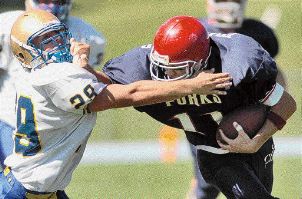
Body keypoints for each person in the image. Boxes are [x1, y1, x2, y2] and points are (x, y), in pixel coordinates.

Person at [0, 10, 233, 198]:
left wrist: (84, 68)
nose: (57, 44)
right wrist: (191, 85)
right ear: (24, 53)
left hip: (38, 187)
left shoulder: (42, 76)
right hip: (25, 190)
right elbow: (128, 94)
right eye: (45, 41)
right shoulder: (55, 75)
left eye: (58, 35)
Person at [99, 16, 296, 198]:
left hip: (252, 142)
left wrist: (257, 141)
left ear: (201, 64)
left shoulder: (236, 64)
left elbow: (287, 103)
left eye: (176, 69)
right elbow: (102, 89)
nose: (166, 75)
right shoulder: (139, 68)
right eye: (162, 67)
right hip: (212, 151)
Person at [187, 0, 286, 198]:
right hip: (206, 118)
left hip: (248, 117)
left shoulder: (258, 33)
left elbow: (275, 76)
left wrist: (272, 110)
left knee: (258, 185)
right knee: (206, 185)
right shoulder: (194, 33)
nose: (230, 5)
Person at [0, 0, 105, 169]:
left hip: (53, 126)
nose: (50, 6)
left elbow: (83, 83)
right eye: (43, 0)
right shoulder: (7, 26)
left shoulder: (86, 35)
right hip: (11, 120)